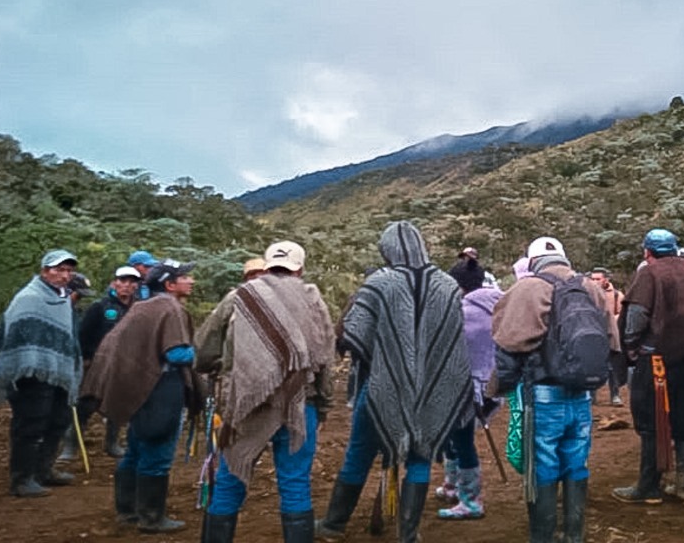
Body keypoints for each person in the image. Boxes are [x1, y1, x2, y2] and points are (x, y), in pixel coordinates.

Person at [316, 222, 471, 543]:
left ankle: (333, 525)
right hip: (431, 392)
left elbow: (351, 336)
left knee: (358, 454)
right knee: (421, 455)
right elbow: (453, 345)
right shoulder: (448, 286)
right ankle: (409, 534)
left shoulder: (378, 283)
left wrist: (391, 358)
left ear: (387, 250)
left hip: (380, 389)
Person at [195, 240, 334, 543]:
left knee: (230, 478)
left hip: (245, 404)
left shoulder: (239, 296)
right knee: (295, 484)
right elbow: (325, 359)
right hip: (300, 404)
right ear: (301, 268)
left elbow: (203, 351)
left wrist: (227, 367)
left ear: (267, 265)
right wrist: (323, 404)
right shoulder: (312, 299)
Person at [493, 236, 618, 543]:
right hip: (582, 394)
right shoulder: (590, 287)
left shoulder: (527, 288)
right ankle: (575, 533)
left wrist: (500, 387)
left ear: (532, 262)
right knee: (576, 460)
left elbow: (508, 344)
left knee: (544, 462)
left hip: (543, 395)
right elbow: (612, 341)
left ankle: (543, 536)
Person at [83, 259, 198, 532]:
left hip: (138, 389)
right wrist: (202, 352)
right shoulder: (170, 308)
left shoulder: (143, 307)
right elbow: (176, 354)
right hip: (162, 388)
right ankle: (151, 517)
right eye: (185, 276)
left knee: (135, 449)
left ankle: (127, 510)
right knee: (157, 453)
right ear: (169, 284)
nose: (191, 281)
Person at [613, 228, 684, 505]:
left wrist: (632, 347)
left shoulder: (650, 272)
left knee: (650, 419)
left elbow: (636, 315)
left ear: (647, 251)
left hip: (656, 359)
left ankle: (648, 486)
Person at [0, 248, 84, 498]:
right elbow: (17, 336)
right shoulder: (29, 298)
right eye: (59, 269)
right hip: (29, 375)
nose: (65, 275)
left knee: (57, 420)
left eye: (69, 270)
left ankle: (44, 470)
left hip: (57, 372)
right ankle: (21, 478)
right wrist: (31, 360)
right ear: (44, 271)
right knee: (30, 425)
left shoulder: (62, 298)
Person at [435, 248, 503, 521]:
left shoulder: (464, 312)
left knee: (461, 440)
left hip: (467, 387)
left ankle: (470, 500)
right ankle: (454, 486)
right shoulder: (499, 304)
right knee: (456, 437)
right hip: (492, 385)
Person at [76, 265, 141, 457]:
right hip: (97, 364)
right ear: (114, 283)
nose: (126, 286)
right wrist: (86, 357)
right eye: (122, 281)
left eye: (131, 282)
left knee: (118, 403)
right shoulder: (100, 307)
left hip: (125, 364)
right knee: (87, 403)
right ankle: (71, 444)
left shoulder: (140, 308)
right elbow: (84, 334)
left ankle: (112, 442)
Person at [588, 267, 625, 406]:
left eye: (598, 279)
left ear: (606, 279)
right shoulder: (587, 293)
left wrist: (613, 320)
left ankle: (615, 395)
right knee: (591, 364)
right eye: (593, 279)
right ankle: (592, 396)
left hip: (610, 334)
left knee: (612, 367)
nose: (595, 281)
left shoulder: (617, 295)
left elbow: (622, 313)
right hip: (593, 334)